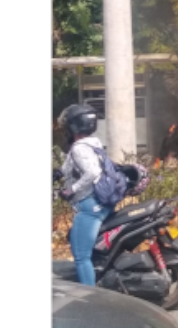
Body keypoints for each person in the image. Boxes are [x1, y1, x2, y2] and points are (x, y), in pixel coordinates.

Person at [56, 104, 113, 286]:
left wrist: (71, 190)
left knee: (81, 256)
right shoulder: (93, 143)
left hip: (89, 206)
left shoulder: (79, 148)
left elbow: (92, 172)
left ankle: (90, 296)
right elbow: (71, 166)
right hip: (101, 202)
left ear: (74, 126)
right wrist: (58, 173)